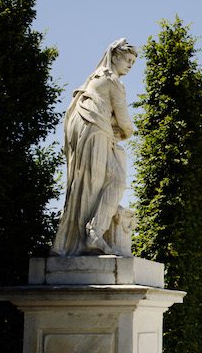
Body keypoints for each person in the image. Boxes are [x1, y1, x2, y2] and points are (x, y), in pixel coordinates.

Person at [51, 39, 137, 256]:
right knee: (114, 180)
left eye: (132, 62)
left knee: (86, 185)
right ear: (114, 56)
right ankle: (94, 233)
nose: (129, 65)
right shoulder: (113, 82)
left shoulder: (94, 80)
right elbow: (125, 120)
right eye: (127, 59)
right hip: (96, 133)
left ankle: (71, 241)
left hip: (85, 132)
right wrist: (127, 131)